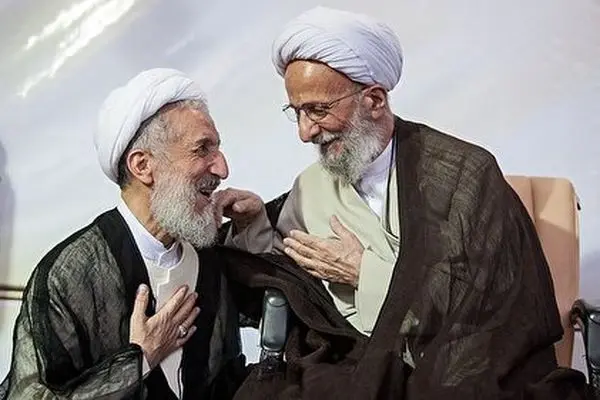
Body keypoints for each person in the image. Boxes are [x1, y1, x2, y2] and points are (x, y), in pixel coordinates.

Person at [222, 6, 593, 399]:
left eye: (318, 110)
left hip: (457, 361)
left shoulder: (464, 175)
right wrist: (253, 225)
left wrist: (366, 273)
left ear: (374, 100)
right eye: (296, 113)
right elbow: (284, 277)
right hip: (352, 361)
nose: (304, 132)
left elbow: (487, 304)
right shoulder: (311, 187)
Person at [0, 68, 254, 399]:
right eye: (202, 149)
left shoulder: (209, 256)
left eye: (217, 149)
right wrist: (140, 360)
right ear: (142, 166)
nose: (222, 168)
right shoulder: (70, 274)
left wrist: (255, 227)